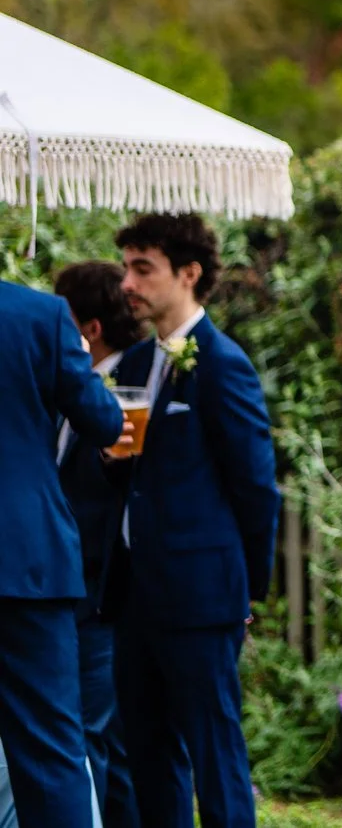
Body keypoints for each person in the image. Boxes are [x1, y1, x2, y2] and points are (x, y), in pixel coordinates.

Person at [114, 213, 279, 828]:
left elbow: (257, 489)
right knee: (147, 755)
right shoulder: (132, 365)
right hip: (135, 598)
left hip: (202, 598)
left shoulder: (222, 365)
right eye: (127, 267)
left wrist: (244, 591)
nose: (128, 282)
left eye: (142, 268)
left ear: (189, 274)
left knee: (215, 754)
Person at [0, 271, 126, 828]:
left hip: (31, 566)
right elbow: (103, 422)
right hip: (28, 566)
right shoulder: (39, 316)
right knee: (51, 749)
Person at [52, 261, 150, 828]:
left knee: (96, 737)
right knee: (98, 738)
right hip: (71, 593)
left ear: (87, 329)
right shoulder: (70, 393)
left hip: (104, 596)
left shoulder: (124, 394)